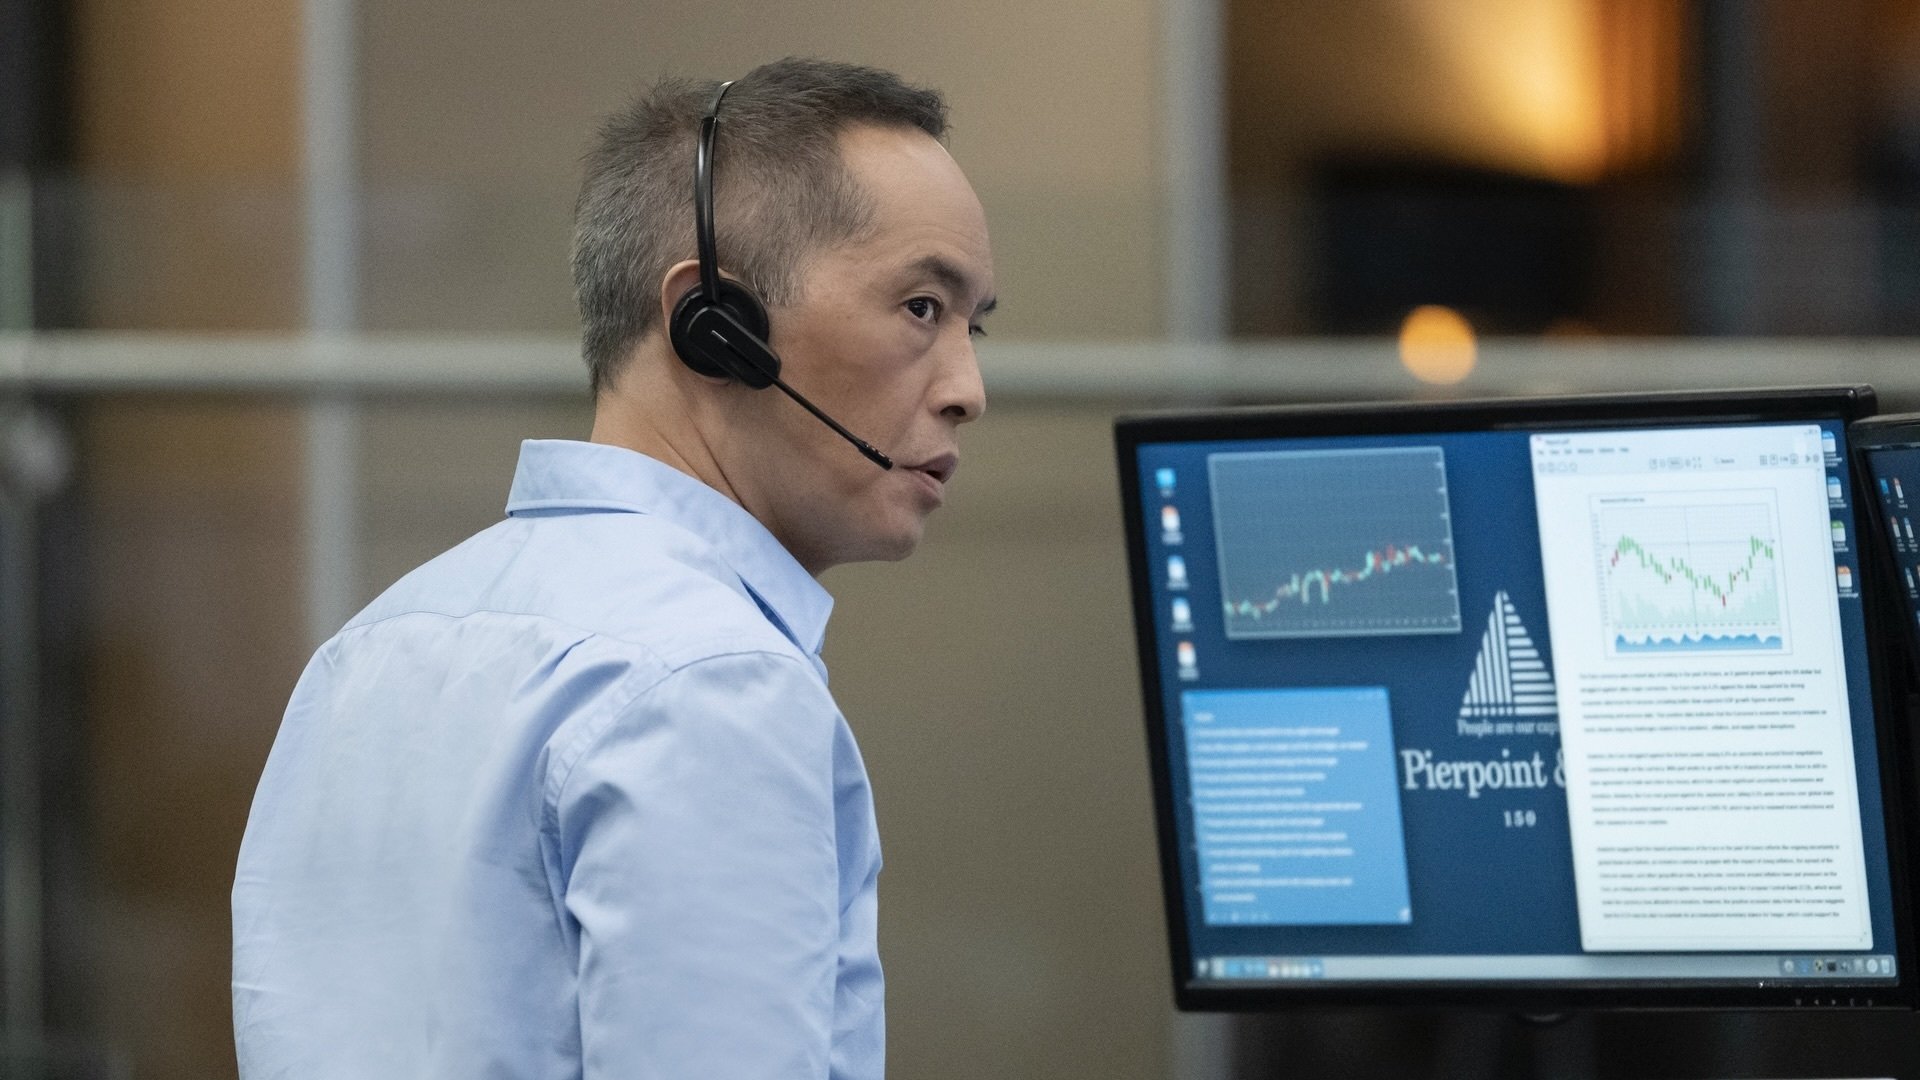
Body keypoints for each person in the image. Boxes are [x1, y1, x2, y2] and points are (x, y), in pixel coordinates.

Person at [231, 57, 995, 1079]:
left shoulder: (365, 652)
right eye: (920, 309)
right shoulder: (712, 684)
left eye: (973, 323)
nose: (967, 390)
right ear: (716, 324)